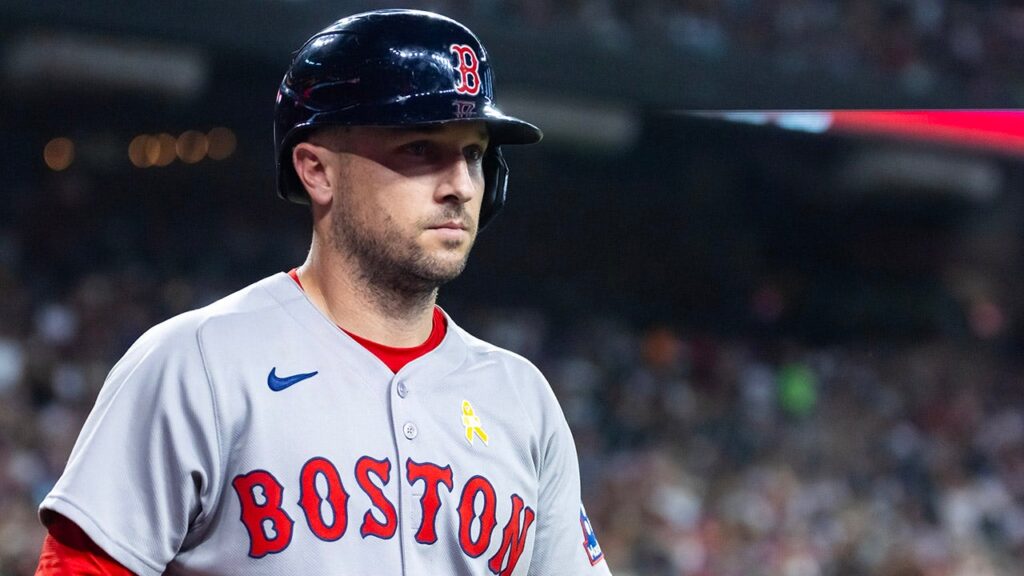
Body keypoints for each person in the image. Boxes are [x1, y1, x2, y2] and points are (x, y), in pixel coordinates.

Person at [35, 9, 610, 576]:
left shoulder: (522, 400)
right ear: (317, 171)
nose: (460, 185)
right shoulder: (198, 363)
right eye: (420, 148)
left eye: (474, 154)